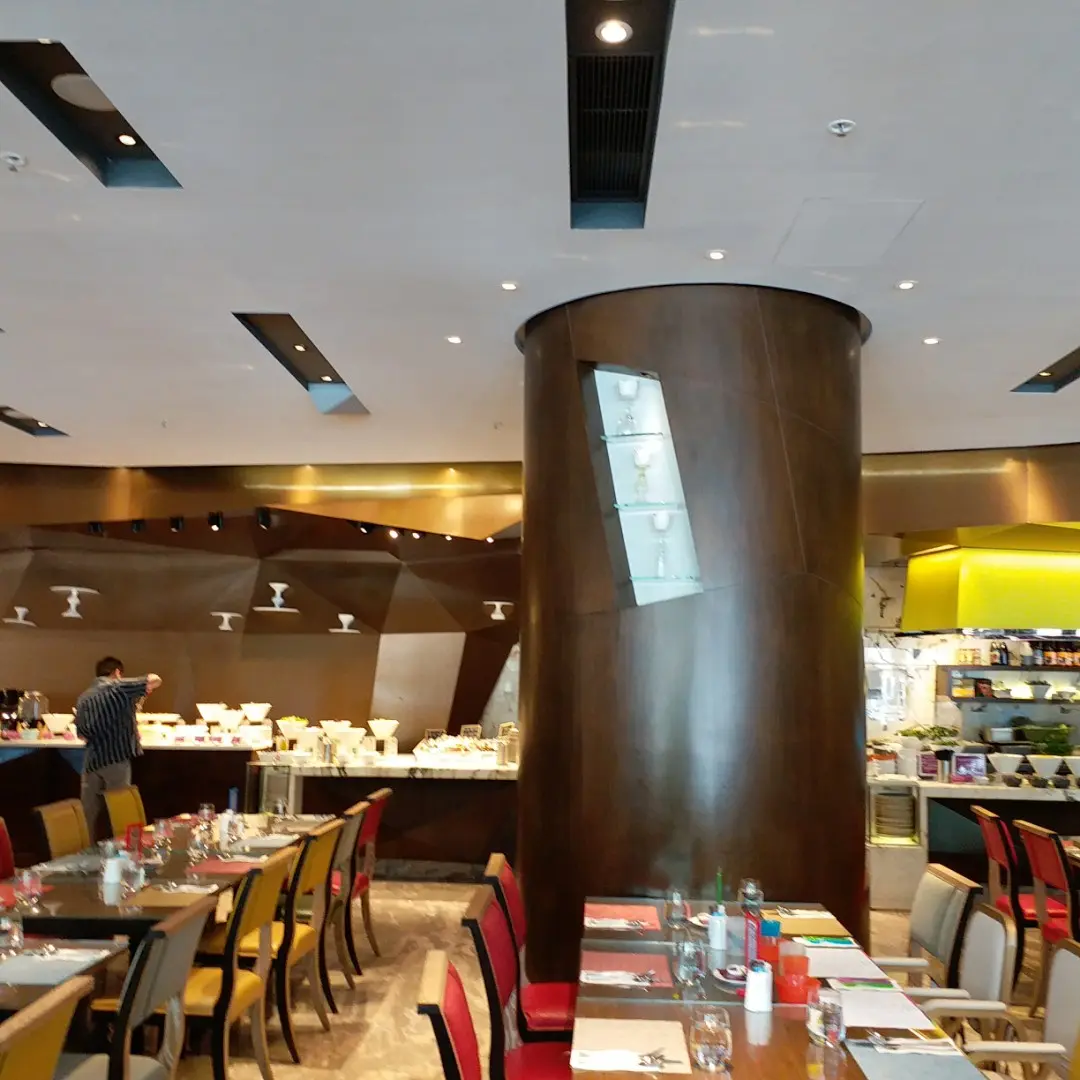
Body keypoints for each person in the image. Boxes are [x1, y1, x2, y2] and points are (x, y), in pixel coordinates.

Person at [75, 657, 162, 839]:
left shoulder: (84, 697)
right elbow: (155, 679)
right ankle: (123, 850)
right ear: (117, 672)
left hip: (91, 762)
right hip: (116, 758)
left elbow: (82, 735)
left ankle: (86, 851)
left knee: (88, 814)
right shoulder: (119, 687)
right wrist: (145, 687)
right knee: (120, 811)